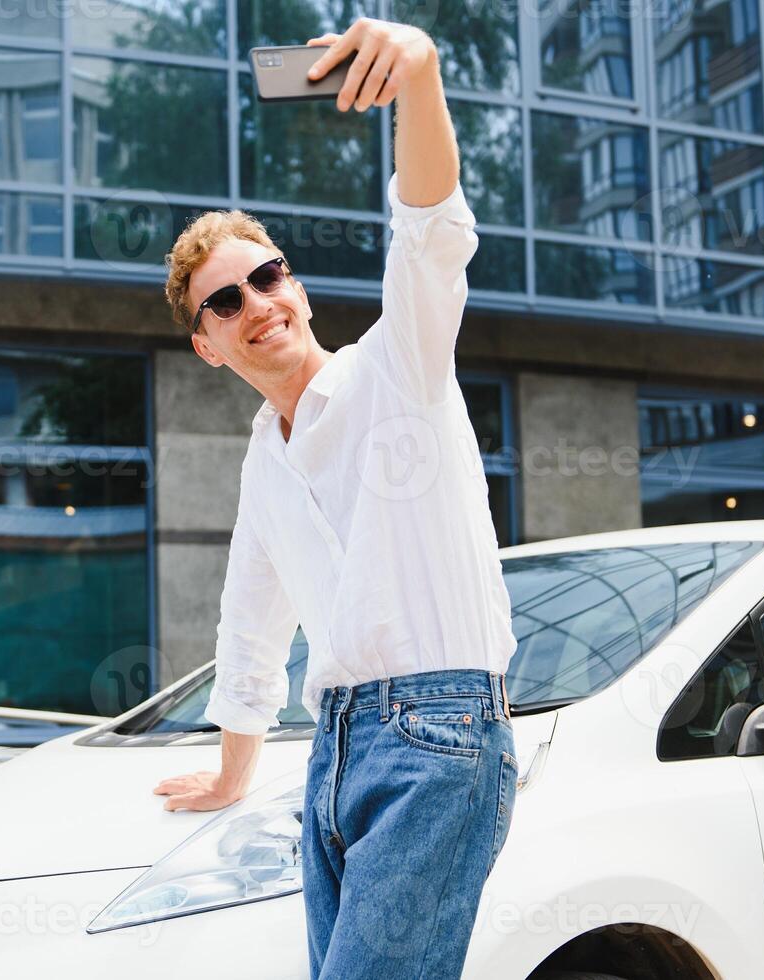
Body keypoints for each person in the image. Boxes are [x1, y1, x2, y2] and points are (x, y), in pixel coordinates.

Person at [151, 16, 518, 980]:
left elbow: (434, 235)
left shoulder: (400, 368)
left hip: (442, 738)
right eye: (225, 303)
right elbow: (251, 621)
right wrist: (234, 770)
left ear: (297, 285)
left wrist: (423, 74)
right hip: (334, 750)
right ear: (207, 344)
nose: (256, 304)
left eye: (266, 276)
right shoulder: (264, 458)